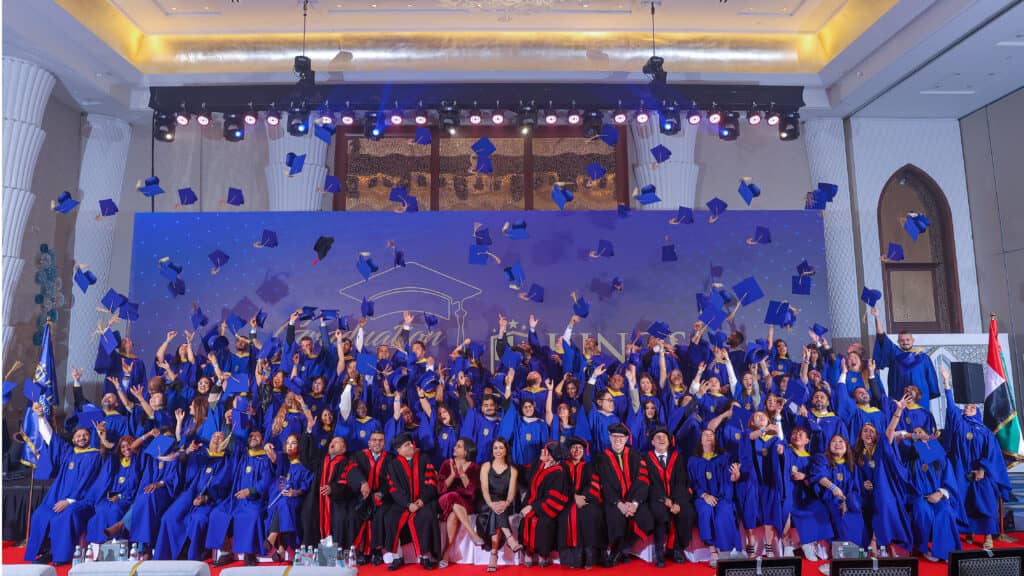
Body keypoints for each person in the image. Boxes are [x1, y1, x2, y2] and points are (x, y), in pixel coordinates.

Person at [23, 403, 104, 565]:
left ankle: (59, 556)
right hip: (58, 497)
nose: (82, 437)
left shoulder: (96, 456)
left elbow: (92, 483)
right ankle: (44, 550)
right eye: (78, 435)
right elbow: (50, 438)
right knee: (40, 514)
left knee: (64, 516)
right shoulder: (68, 453)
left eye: (85, 435)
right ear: (73, 439)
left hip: (83, 501)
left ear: (90, 437)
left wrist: (69, 501)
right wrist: (41, 417)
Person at [942, 367, 1011, 549]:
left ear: (977, 412)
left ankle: (988, 535)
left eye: (972, 407)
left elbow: (992, 454)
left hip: (981, 472)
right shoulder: (959, 424)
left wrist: (982, 469)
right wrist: (947, 383)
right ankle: (969, 532)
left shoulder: (985, 432)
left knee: (985, 499)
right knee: (962, 499)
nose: (967, 408)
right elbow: (951, 407)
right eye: (966, 407)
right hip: (961, 469)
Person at [153, 431, 234, 561]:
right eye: (214, 436)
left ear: (225, 442)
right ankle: (163, 558)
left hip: (210, 499)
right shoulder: (199, 454)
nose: (216, 438)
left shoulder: (226, 460)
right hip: (190, 493)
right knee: (168, 518)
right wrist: (186, 452)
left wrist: (206, 497)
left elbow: (224, 485)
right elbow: (183, 461)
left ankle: (192, 557)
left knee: (198, 519)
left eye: (220, 437)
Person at [207, 430, 276, 567]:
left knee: (252, 515)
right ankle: (226, 551)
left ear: (262, 441)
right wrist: (228, 425)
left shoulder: (265, 458)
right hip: (235, 499)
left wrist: (250, 490)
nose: (253, 437)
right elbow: (233, 440)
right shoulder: (241, 456)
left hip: (254, 500)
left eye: (257, 436)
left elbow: (267, 480)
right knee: (217, 514)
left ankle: (249, 553)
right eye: (251, 436)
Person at [594, 422, 652, 566]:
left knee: (647, 518)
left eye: (621, 437)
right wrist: (619, 504)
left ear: (626, 439)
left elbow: (643, 480)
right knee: (615, 518)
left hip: (634, 501)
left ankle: (623, 550)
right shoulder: (602, 458)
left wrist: (634, 503)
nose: (618, 439)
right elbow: (604, 485)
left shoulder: (636, 456)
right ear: (609, 438)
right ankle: (616, 552)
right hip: (614, 501)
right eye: (614, 436)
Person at [383, 432, 441, 571]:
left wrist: (422, 501)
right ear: (399, 450)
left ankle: (425, 557)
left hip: (423, 501)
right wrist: (408, 504)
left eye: (411, 443)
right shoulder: (392, 465)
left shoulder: (424, 459)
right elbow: (394, 489)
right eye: (406, 445)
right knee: (390, 517)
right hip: (403, 504)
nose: (411, 446)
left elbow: (431, 483)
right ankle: (397, 557)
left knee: (427, 516)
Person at [688, 428, 742, 567]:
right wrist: (704, 495)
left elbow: (729, 478)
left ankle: (725, 551)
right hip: (702, 497)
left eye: (711, 435)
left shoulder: (725, 457)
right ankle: (713, 552)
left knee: (724, 511)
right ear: (700, 440)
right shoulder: (693, 461)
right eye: (705, 435)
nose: (708, 436)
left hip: (722, 496)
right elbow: (691, 483)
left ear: (715, 439)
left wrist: (734, 477)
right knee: (705, 511)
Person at [644, 425, 694, 567]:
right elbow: (646, 483)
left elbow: (682, 481)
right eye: (658, 437)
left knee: (686, 512)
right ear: (652, 442)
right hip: (656, 498)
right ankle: (660, 551)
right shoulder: (645, 459)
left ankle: (677, 549)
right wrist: (663, 499)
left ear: (669, 441)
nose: (661, 439)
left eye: (664, 437)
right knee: (660, 513)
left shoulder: (677, 458)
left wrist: (676, 502)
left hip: (676, 497)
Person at [779, 426, 832, 561]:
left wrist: (805, 477)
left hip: (804, 493)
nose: (796, 435)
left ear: (807, 440)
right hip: (787, 491)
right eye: (794, 433)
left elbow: (814, 479)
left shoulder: (812, 459)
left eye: (801, 434)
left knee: (818, 508)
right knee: (786, 511)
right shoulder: (788, 452)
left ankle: (808, 543)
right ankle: (787, 546)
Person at [264, 433, 314, 561]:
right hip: (279, 497)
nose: (290, 446)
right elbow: (273, 457)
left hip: (295, 498)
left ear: (299, 446)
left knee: (284, 503)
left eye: (293, 443)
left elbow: (306, 485)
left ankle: (273, 537)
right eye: (288, 443)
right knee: (280, 504)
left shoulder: (304, 465)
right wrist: (267, 446)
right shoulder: (283, 460)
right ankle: (281, 550)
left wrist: (295, 492)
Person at [872, 306, 940, 400]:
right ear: (898, 342)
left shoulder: (923, 357)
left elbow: (931, 377)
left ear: (913, 340)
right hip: (899, 397)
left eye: (908, 339)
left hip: (920, 398)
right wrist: (877, 317)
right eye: (902, 340)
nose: (905, 342)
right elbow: (881, 337)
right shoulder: (895, 354)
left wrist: (931, 393)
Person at [519, 440, 568, 568]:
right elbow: (529, 481)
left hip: (547, 507)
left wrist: (533, 507)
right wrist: (540, 461)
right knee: (526, 519)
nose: (547, 456)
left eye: (550, 454)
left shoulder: (559, 472)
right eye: (546, 453)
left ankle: (543, 554)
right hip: (532, 504)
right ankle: (528, 553)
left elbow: (554, 497)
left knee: (543, 522)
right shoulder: (540, 466)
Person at [811, 435, 866, 548]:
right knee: (840, 522)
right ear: (829, 445)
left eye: (841, 441)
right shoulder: (822, 458)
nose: (837, 444)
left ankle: (854, 554)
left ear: (846, 446)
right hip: (829, 500)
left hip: (849, 502)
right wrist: (833, 488)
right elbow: (819, 476)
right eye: (834, 441)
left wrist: (847, 501)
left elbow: (856, 487)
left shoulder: (851, 464)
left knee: (856, 520)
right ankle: (841, 555)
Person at [84, 435, 140, 546]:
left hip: (129, 499)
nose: (126, 448)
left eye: (129, 445)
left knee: (115, 509)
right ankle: (97, 544)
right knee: (101, 509)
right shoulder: (116, 463)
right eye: (122, 447)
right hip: (113, 497)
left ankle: (116, 542)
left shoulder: (138, 463)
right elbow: (105, 453)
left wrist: (120, 497)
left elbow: (135, 487)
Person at [559, 436, 604, 569]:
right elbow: (559, 486)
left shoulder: (589, 466)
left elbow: (593, 485)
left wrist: (583, 497)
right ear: (569, 451)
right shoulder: (562, 467)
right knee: (566, 516)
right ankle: (573, 559)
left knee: (590, 514)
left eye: (580, 448)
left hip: (587, 500)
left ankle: (589, 556)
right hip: (566, 501)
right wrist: (574, 497)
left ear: (584, 452)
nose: (577, 450)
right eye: (574, 448)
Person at [437, 437, 483, 567]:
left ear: (467, 451)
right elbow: (440, 489)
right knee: (453, 495)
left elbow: (472, 492)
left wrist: (463, 475)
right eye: (455, 445)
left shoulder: (474, 467)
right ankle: (472, 534)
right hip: (445, 500)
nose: (454, 448)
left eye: (458, 446)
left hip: (465, 503)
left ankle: (445, 554)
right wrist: (452, 475)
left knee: (453, 515)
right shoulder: (447, 464)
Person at [478, 436, 520, 571]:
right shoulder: (486, 466)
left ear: (506, 450)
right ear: (492, 450)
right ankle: (509, 538)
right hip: (487, 502)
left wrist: (506, 503)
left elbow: (511, 492)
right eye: (495, 448)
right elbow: (484, 489)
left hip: (505, 503)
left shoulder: (512, 469)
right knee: (496, 510)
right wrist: (491, 504)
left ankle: (493, 554)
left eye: (501, 448)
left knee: (498, 511)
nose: (498, 450)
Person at [352, 430, 391, 565]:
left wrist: (382, 493)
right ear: (369, 443)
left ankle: (376, 551)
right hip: (362, 495)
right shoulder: (359, 456)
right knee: (358, 513)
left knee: (378, 514)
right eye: (374, 440)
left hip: (381, 496)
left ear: (384, 443)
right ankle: (361, 551)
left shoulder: (390, 458)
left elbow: (391, 480)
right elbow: (353, 471)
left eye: (380, 440)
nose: (377, 443)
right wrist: (362, 483)